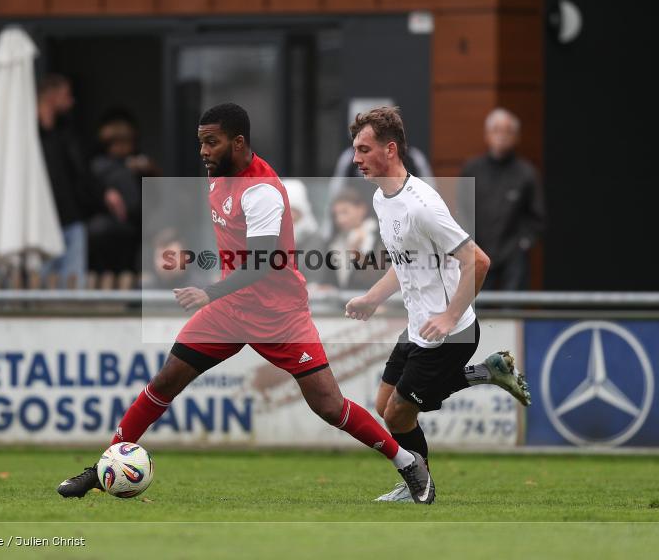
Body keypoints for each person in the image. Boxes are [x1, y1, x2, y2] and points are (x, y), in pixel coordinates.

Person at [57, 103, 435, 503]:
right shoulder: (218, 175)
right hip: (231, 311)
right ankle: (104, 469)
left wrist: (208, 292)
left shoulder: (262, 191)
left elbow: (262, 263)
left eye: (211, 142)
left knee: (329, 406)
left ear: (238, 143)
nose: (203, 151)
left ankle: (408, 463)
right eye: (201, 142)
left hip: (280, 316)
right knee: (165, 380)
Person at [344, 107, 531, 504]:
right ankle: (487, 372)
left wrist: (448, 316)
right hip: (420, 326)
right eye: (355, 149)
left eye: (363, 149)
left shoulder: (422, 204)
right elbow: (405, 263)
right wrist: (373, 298)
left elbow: (478, 261)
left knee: (397, 414)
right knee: (385, 406)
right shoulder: (382, 198)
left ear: (390, 150)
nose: (356, 158)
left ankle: (420, 486)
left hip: (451, 332)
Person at [461, 108, 545, 290]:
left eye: (508, 131)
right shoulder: (472, 170)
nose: (502, 136)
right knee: (476, 309)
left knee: (512, 310)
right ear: (487, 135)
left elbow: (537, 217)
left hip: (513, 256)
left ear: (517, 137)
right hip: (478, 251)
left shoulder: (526, 173)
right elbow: (461, 211)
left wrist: (523, 243)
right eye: (497, 130)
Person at [37, 74, 95, 288]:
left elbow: (80, 170)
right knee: (40, 285)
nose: (71, 102)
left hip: (71, 217)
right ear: (51, 96)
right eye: (66, 95)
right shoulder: (28, 134)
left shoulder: (67, 131)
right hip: (41, 221)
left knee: (73, 286)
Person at [88, 110, 153, 275]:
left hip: (138, 226)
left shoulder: (136, 163)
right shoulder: (101, 166)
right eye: (122, 143)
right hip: (114, 230)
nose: (127, 147)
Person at [320, 186, 385, 291]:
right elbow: (333, 279)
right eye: (336, 215)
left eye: (345, 212)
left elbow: (380, 278)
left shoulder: (379, 237)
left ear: (361, 209)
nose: (340, 219)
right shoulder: (334, 243)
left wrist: (357, 254)